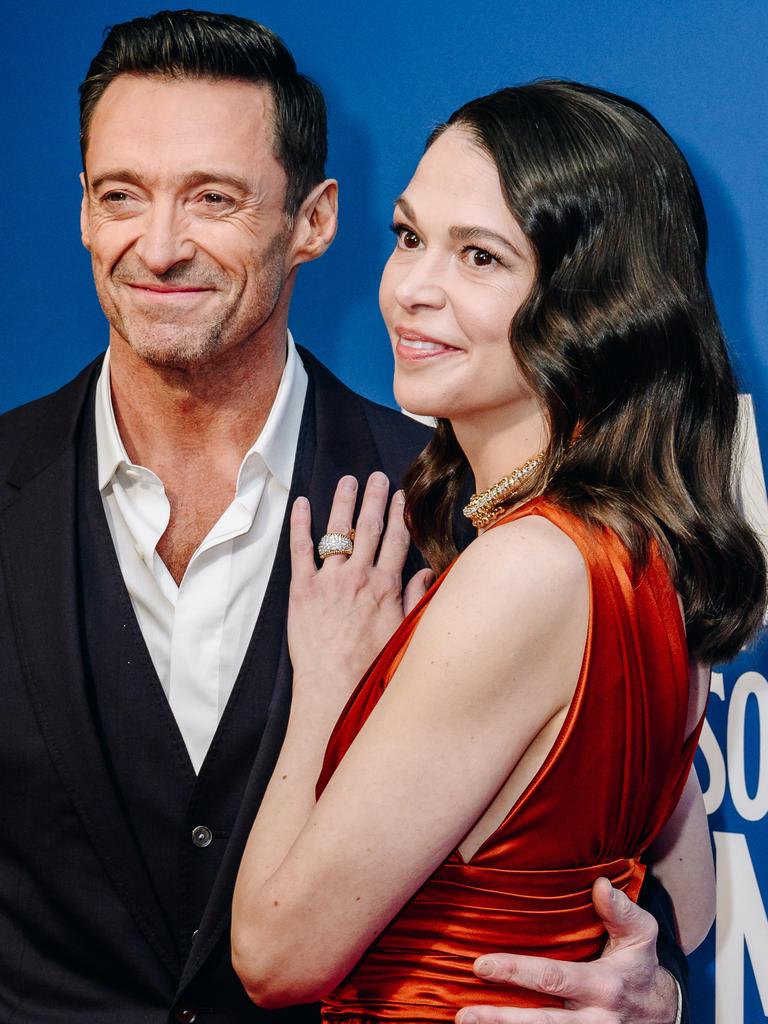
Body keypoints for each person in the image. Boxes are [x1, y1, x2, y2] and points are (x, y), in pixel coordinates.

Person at [0, 10, 691, 1022]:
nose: (158, 245)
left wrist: (647, 993)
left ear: (314, 220)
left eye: (213, 198)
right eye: (120, 195)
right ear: (81, 211)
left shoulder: (454, 502)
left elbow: (624, 845)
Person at [231, 81, 766, 1021]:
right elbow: (685, 905)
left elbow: (276, 957)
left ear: (593, 305)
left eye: (480, 256)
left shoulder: (526, 568)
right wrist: (662, 998)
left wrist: (328, 684)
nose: (411, 289)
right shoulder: (644, 556)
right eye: (408, 237)